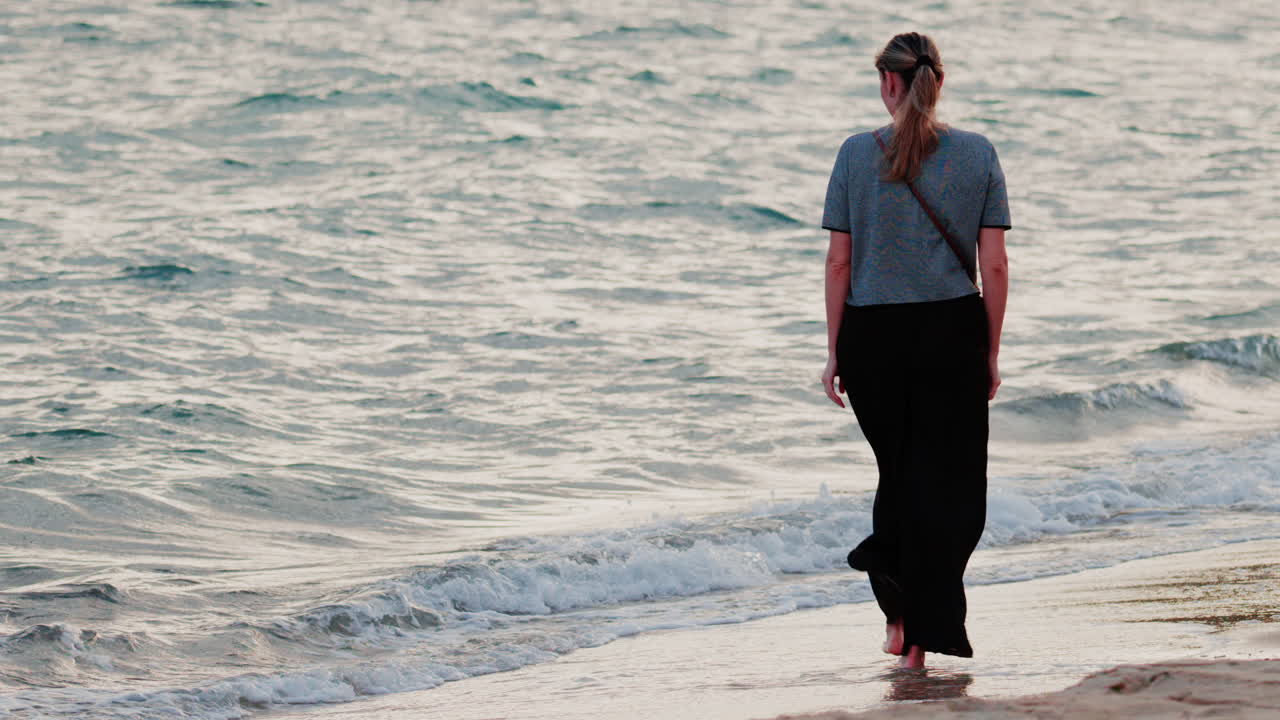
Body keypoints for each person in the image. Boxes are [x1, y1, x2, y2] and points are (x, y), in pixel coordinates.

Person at [818, 31, 1010, 670]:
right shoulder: (977, 154)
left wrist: (834, 349)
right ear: (936, 82)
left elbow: (840, 261)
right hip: (952, 333)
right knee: (949, 490)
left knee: (898, 477)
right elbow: (995, 265)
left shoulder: (853, 155)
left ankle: (901, 622)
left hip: (872, 338)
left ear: (889, 84)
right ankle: (921, 634)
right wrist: (991, 348)